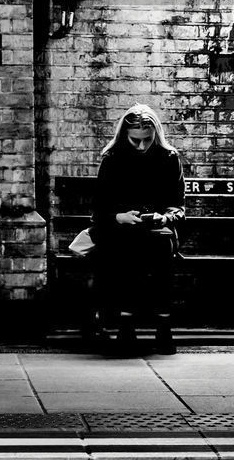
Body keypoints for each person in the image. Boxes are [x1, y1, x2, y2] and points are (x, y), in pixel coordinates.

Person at [90, 103, 185, 354]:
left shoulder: (169, 158)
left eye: (147, 140)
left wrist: (164, 218)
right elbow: (99, 210)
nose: (142, 146)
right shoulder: (112, 159)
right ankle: (127, 324)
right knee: (129, 246)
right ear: (124, 136)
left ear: (156, 134)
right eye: (135, 141)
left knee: (160, 246)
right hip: (120, 230)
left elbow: (178, 208)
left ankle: (159, 326)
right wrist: (119, 217)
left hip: (157, 231)